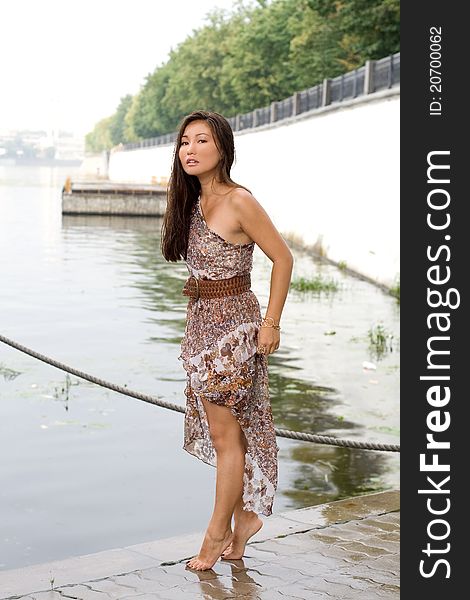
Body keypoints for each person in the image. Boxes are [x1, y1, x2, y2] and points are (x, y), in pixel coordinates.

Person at [161, 110, 294, 571]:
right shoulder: (189, 201)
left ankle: (216, 535)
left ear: (223, 149)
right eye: (184, 142)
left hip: (234, 330)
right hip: (200, 325)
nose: (190, 150)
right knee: (231, 433)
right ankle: (242, 524)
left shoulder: (240, 201)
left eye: (201, 141)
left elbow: (283, 258)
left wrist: (271, 323)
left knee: (225, 438)